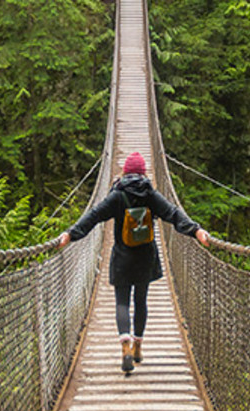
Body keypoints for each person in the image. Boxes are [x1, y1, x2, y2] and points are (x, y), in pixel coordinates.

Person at [57, 151, 210, 373]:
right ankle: (138, 345)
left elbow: (94, 215)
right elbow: (173, 213)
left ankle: (125, 345)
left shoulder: (117, 195)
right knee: (140, 301)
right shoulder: (150, 194)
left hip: (122, 256)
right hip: (145, 256)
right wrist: (196, 230)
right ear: (143, 173)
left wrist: (71, 234)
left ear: (125, 173)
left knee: (121, 302)